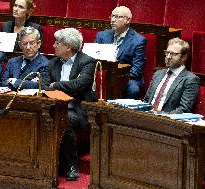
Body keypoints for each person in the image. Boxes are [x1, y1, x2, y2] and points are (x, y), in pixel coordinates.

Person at [44, 28, 96, 181]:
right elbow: (46, 85)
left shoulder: (87, 62)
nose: (54, 45)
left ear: (69, 47)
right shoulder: (53, 63)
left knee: (64, 120)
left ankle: (72, 166)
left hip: (77, 110)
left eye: (57, 43)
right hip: (54, 106)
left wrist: (57, 85)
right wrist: (57, 86)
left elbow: (80, 84)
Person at [94, 6, 147, 99]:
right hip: (103, 73)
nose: (113, 20)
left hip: (127, 77)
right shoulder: (102, 35)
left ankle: (122, 113)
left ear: (128, 20)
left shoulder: (138, 41)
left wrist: (116, 77)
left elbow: (137, 69)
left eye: (118, 17)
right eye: (112, 16)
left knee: (133, 89)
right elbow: (93, 57)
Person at [143, 37, 200, 113]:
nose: (168, 57)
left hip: (167, 121)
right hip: (146, 117)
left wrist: (161, 115)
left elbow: (184, 109)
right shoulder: (158, 74)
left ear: (183, 57)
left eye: (173, 54)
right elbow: (146, 100)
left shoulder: (190, 80)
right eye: (167, 52)